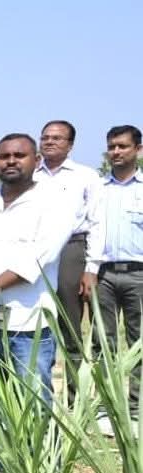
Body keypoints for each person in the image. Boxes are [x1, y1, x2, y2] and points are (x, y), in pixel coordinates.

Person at [0, 133, 72, 471]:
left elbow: (38, 257)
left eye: (19, 155)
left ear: (36, 160)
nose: (11, 161)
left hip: (29, 323)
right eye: (4, 156)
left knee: (33, 401)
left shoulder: (55, 203)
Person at [33, 120, 103, 399]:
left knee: (70, 327)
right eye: (45, 137)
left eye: (57, 138)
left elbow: (98, 223)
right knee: (35, 323)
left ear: (70, 145)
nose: (49, 142)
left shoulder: (86, 176)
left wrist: (92, 268)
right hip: (35, 252)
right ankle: (39, 395)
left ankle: (75, 398)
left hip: (71, 251)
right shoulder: (30, 174)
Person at [95, 125, 143, 436]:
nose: (116, 152)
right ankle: (106, 409)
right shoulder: (99, 189)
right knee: (104, 343)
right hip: (103, 274)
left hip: (139, 274)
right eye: (112, 146)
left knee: (138, 344)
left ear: (138, 149)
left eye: (123, 146)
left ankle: (136, 410)